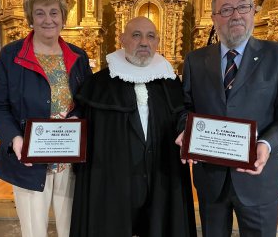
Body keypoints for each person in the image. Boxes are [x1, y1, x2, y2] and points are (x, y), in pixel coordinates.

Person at [176, 0, 278, 236]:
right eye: (225, 10)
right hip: (211, 180)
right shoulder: (195, 60)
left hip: (258, 179)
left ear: (253, 12)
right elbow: (186, 107)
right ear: (214, 18)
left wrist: (267, 144)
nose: (235, 15)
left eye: (242, 7)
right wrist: (185, 131)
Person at [70, 16, 197, 237]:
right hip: (113, 183)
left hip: (161, 178)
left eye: (150, 36)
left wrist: (186, 127)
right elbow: (81, 119)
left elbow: (183, 114)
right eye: (136, 35)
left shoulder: (169, 81)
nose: (144, 42)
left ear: (158, 42)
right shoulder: (99, 83)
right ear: (122, 40)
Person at [0, 0, 92, 237]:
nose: (48, 20)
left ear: (63, 17)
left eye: (54, 12)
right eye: (40, 13)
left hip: (69, 160)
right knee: (34, 231)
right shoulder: (12, 55)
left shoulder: (78, 56)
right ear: (30, 18)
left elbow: (87, 102)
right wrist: (15, 139)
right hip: (29, 159)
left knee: (72, 228)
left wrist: (76, 118)